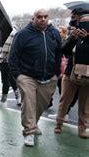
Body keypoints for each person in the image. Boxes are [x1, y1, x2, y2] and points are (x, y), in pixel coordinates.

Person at [9, 9, 62, 147]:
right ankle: (29, 131)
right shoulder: (23, 34)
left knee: (41, 104)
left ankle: (34, 123)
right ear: (33, 18)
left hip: (49, 76)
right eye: (39, 17)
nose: (42, 19)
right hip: (27, 75)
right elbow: (13, 56)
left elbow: (58, 54)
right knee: (29, 102)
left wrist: (56, 73)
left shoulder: (54, 33)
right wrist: (18, 75)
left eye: (45, 17)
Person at [54, 13, 89, 138]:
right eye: (82, 23)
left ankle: (82, 128)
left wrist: (87, 39)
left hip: (87, 76)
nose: (85, 26)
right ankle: (59, 124)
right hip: (70, 74)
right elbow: (64, 50)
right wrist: (73, 37)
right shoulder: (74, 36)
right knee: (64, 101)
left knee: (85, 105)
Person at [0, 27, 21, 107]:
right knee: (11, 79)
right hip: (11, 59)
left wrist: (1, 58)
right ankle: (18, 97)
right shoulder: (14, 31)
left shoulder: (8, 31)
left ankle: (3, 100)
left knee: (5, 80)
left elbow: (6, 47)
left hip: (5, 60)